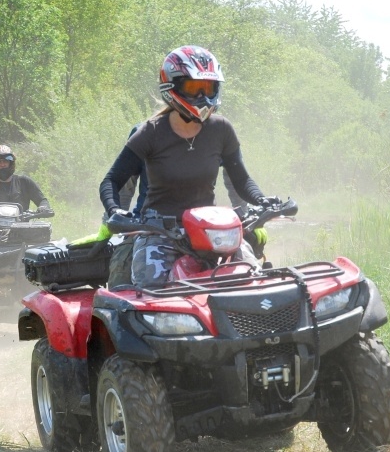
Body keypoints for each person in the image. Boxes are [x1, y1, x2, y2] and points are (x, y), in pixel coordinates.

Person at [99, 45, 277, 289]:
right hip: (158, 232)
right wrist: (115, 211)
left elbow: (241, 180)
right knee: (150, 293)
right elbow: (112, 181)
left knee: (253, 280)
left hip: (210, 230)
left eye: (208, 88)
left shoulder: (221, 129)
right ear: (172, 86)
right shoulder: (150, 132)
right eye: (194, 88)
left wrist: (262, 200)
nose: (203, 96)